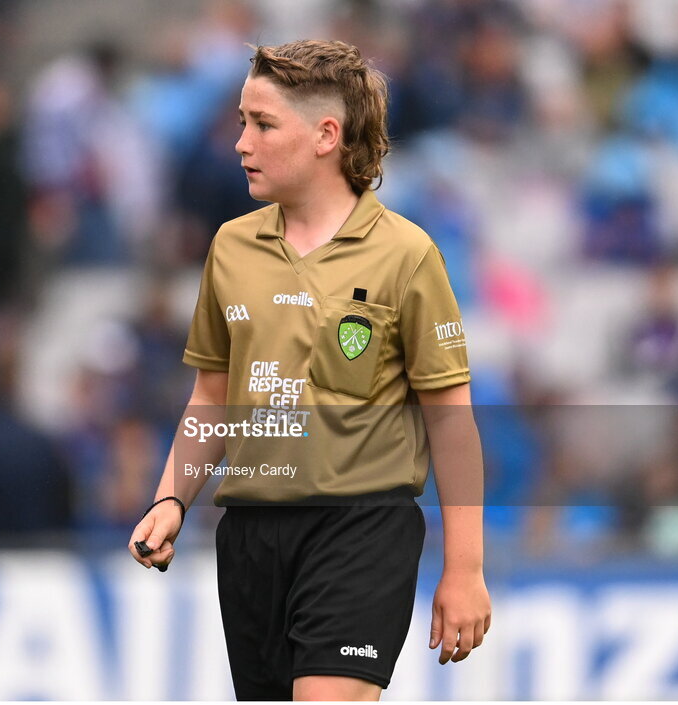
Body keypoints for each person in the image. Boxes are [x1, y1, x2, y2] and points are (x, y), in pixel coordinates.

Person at [129, 40, 491, 701]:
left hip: (362, 527)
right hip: (250, 539)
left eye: (262, 124)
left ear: (327, 135)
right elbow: (212, 393)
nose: (241, 142)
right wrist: (171, 497)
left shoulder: (407, 255)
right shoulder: (231, 247)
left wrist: (465, 568)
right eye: (241, 121)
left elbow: (452, 421)